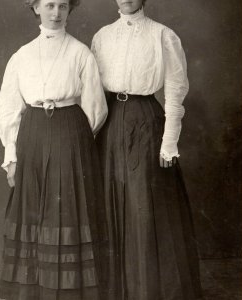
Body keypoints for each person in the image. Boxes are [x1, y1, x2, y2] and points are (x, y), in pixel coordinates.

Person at [91, 0, 203, 299]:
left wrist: (169, 144)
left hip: (146, 123)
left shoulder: (163, 35)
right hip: (109, 123)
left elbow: (175, 91)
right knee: (110, 200)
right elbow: (92, 92)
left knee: (144, 206)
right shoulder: (101, 36)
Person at [0, 0, 108, 299]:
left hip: (70, 132)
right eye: (49, 5)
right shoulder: (21, 56)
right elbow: (8, 109)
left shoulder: (80, 52)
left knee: (66, 209)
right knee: (33, 208)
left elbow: (95, 108)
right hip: (31, 134)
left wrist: (75, 142)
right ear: (35, 8)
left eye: (62, 5)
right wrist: (12, 155)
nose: (56, 13)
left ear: (70, 9)